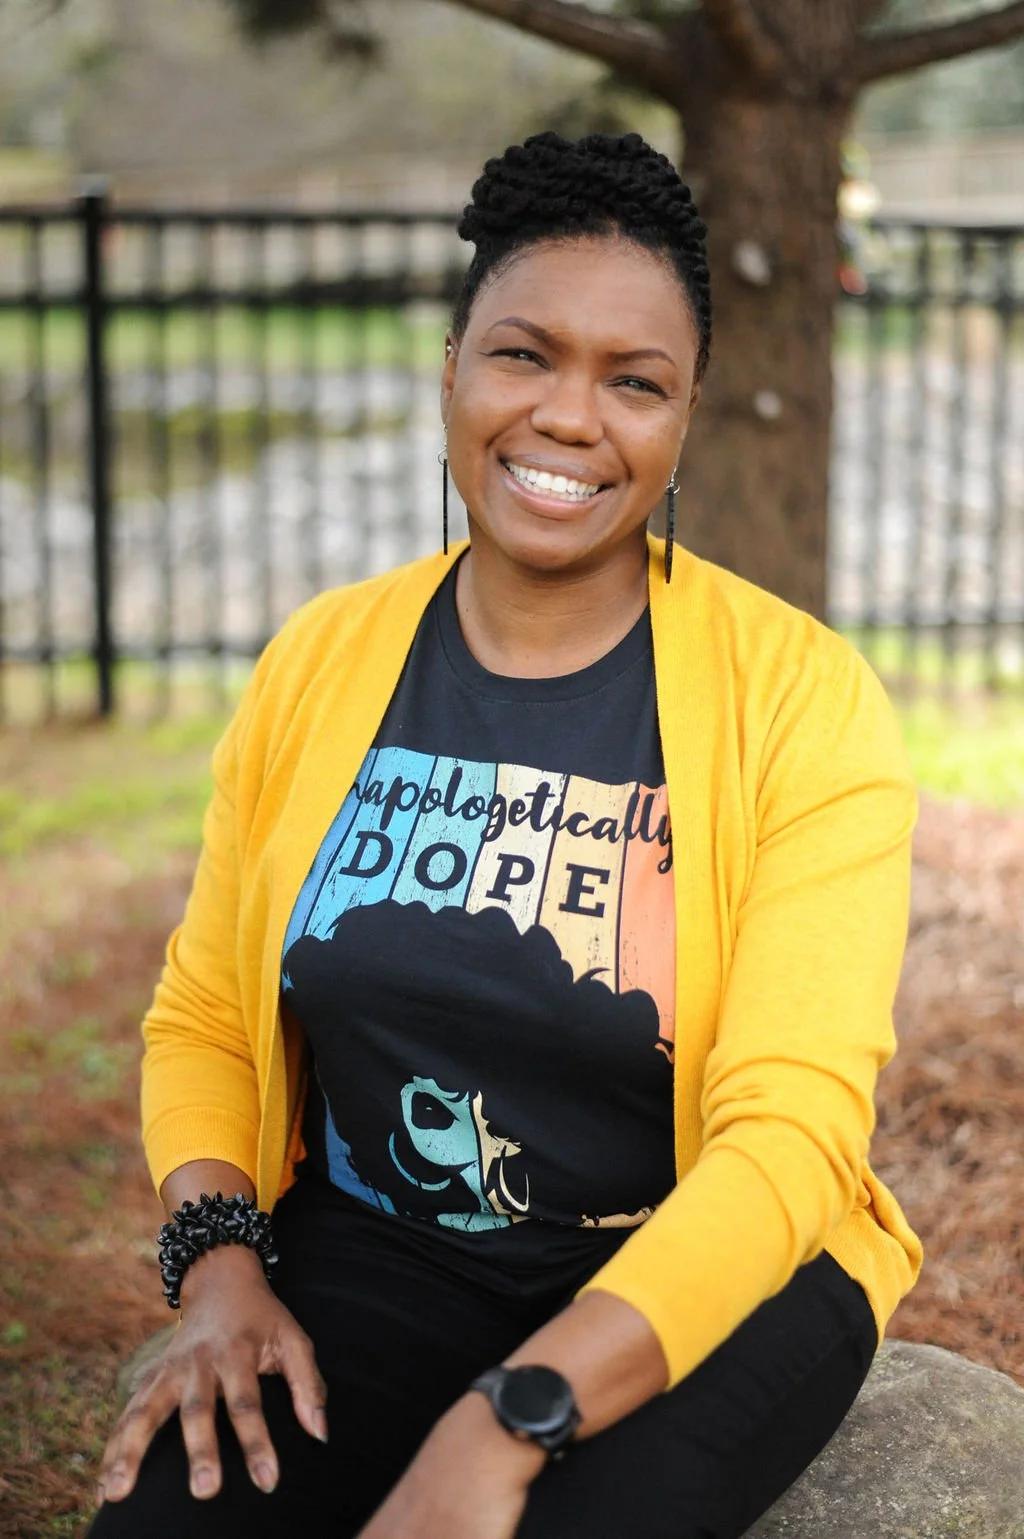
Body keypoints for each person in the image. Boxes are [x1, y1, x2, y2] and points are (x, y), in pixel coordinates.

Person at [89, 131, 921, 1539]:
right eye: (525, 354)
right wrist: (221, 1271)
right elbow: (209, 1019)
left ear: (686, 415)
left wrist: (509, 1412)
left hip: (709, 1270)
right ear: (454, 374)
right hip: (389, 1251)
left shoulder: (799, 699)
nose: (571, 417)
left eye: (636, 381)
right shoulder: (321, 662)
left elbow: (789, 1134)